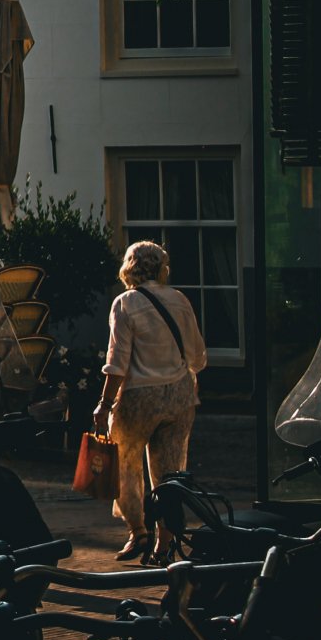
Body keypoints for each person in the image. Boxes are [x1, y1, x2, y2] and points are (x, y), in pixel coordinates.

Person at [93, 238, 207, 560]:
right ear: (161, 268)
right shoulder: (180, 300)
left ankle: (138, 532)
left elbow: (117, 363)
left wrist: (104, 404)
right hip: (179, 396)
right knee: (170, 471)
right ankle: (165, 543)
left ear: (129, 269)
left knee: (127, 465)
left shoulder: (125, 303)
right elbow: (198, 357)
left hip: (139, 398)